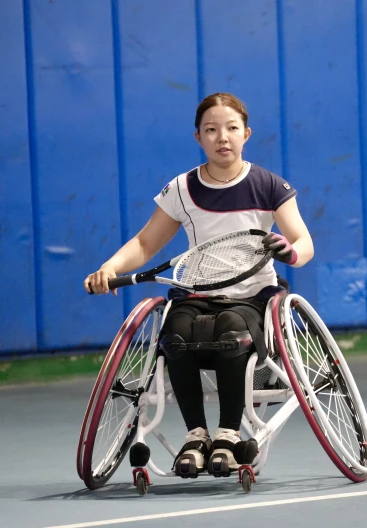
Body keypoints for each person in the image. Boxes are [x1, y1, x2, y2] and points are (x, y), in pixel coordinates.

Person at [84, 92, 314, 478]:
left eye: (231, 129)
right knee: (174, 334)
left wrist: (288, 251)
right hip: (198, 294)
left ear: (246, 134)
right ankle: (197, 436)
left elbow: (304, 242)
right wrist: (109, 267)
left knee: (230, 332)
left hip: (252, 298)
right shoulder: (182, 189)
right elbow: (145, 243)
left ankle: (227, 433)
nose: (222, 137)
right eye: (211, 130)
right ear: (198, 138)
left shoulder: (269, 185)